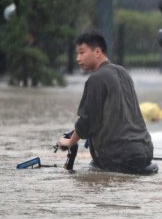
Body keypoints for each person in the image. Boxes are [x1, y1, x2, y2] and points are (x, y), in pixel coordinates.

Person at [58, 30, 155, 174]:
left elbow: (87, 121)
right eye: (77, 54)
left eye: (82, 52)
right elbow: (116, 115)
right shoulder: (123, 72)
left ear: (97, 52)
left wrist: (70, 141)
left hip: (118, 158)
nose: (78, 58)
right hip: (145, 152)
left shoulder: (96, 79)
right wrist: (76, 132)